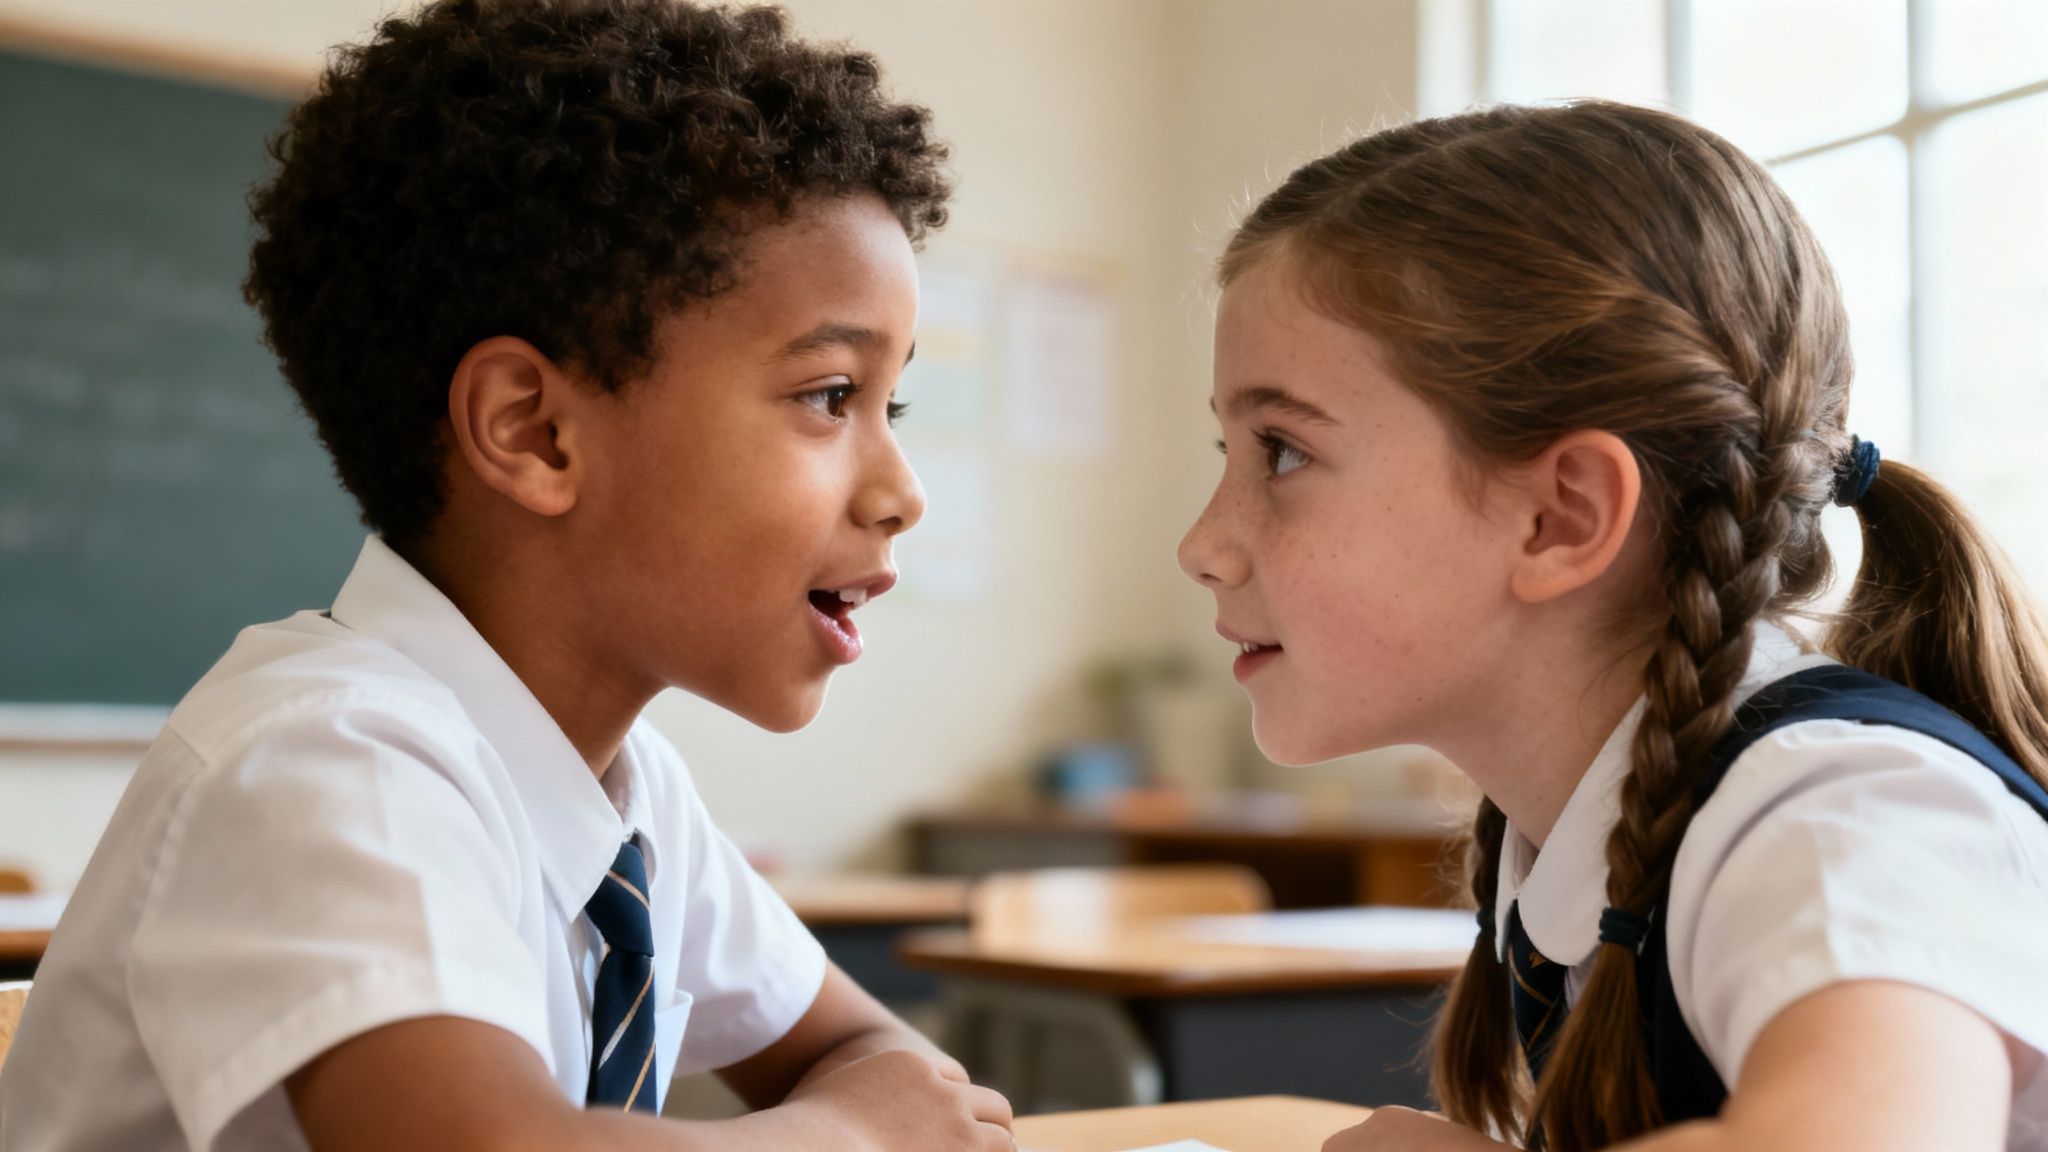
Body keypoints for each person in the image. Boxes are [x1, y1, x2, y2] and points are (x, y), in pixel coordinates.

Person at [0, 3, 1013, 1150]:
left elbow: (879, 1061)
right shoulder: (326, 758)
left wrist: (868, 1109)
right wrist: (848, 1138)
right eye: (830, 396)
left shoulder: (627, 802)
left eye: (897, 403)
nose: (902, 490)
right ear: (533, 434)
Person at [1179, 100, 2048, 1152]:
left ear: (1562, 517)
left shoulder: (1843, 820)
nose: (1202, 545)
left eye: (1280, 452)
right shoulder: (1578, 831)